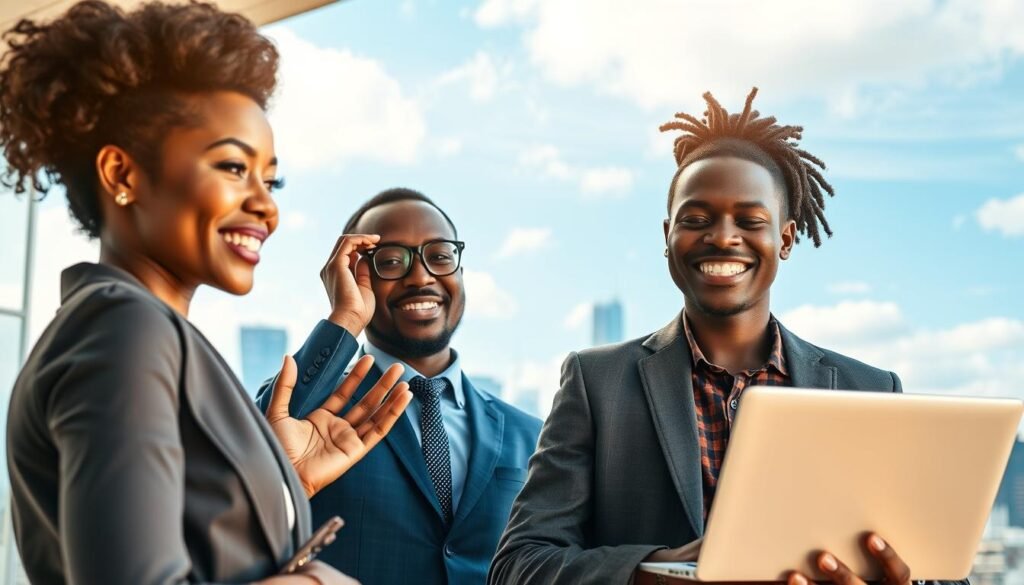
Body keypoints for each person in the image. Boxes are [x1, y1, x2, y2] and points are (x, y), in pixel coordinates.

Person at [0, 3, 412, 584]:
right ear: (122, 175)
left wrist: (282, 483)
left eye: (271, 180)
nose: (266, 205)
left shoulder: (130, 329)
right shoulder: (125, 333)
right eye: (232, 167)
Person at [488, 88, 967, 585]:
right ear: (667, 236)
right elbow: (518, 566)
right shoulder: (597, 382)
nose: (722, 236)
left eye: (750, 220)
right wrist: (656, 573)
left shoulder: (869, 391)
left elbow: (945, 570)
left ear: (785, 238)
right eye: (696, 220)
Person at [257, 188, 542, 585]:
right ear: (354, 276)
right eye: (391, 261)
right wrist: (345, 318)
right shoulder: (314, 411)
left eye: (440, 256)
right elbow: (250, 458)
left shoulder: (533, 434)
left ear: (460, 272)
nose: (421, 276)